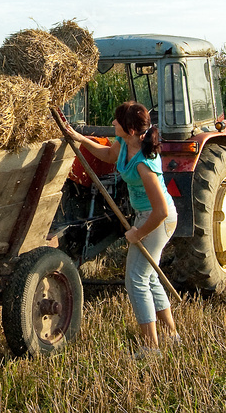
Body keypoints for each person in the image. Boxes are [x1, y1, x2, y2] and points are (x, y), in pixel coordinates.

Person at [66, 101, 180, 354]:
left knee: (136, 280)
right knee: (149, 276)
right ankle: (171, 334)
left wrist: (138, 232)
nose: (113, 123)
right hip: (147, 215)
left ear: (129, 129)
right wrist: (79, 138)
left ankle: (151, 347)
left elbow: (160, 211)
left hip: (157, 220)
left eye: (117, 121)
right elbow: (106, 155)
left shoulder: (143, 163)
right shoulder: (125, 145)